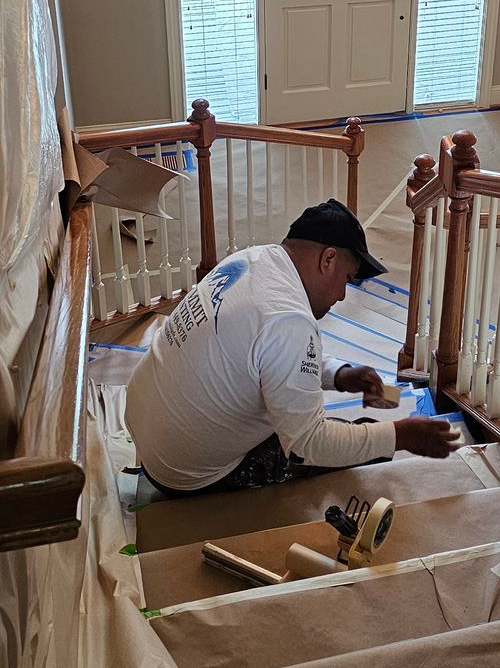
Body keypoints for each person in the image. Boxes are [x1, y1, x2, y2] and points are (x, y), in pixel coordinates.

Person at [126, 199, 460, 496]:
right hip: (184, 472)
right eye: (347, 278)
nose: (343, 295)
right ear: (328, 259)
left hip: (148, 430)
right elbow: (307, 445)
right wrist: (402, 436)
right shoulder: (289, 319)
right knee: (356, 439)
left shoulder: (254, 259)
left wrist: (339, 375)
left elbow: (268, 352)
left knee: (351, 429)